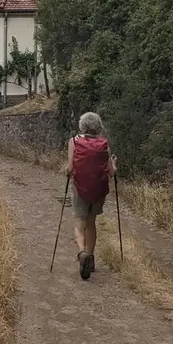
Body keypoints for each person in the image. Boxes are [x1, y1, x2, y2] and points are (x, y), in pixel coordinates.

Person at [63, 112, 117, 280]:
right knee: (91, 223)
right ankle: (91, 258)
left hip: (80, 188)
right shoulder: (104, 144)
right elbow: (111, 172)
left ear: (82, 126)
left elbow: (70, 168)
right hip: (98, 190)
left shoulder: (74, 141)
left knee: (79, 222)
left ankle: (82, 253)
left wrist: (66, 171)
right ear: (98, 126)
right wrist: (115, 164)